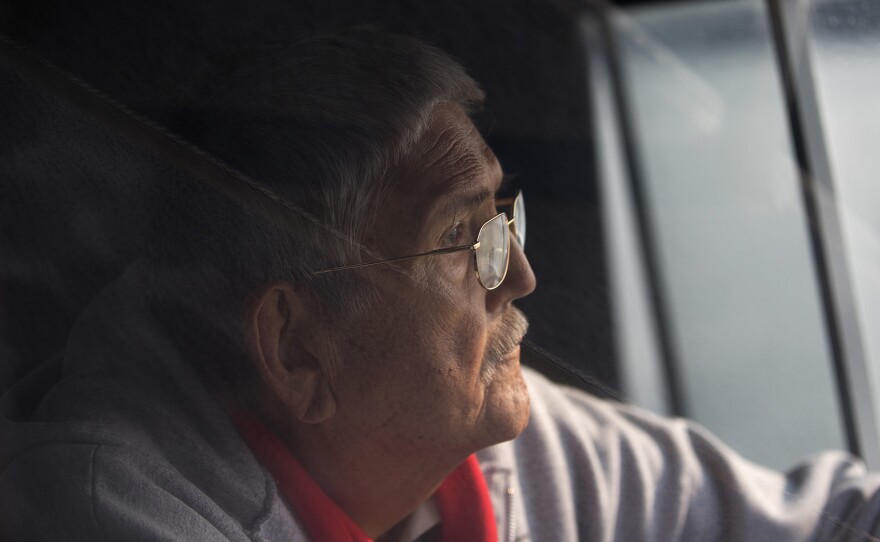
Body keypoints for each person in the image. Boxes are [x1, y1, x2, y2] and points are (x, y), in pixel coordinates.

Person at [2, 28, 880, 542]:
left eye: (503, 220)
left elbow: (834, 520)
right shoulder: (95, 512)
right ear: (298, 347)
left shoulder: (501, 442)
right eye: (462, 239)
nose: (521, 274)